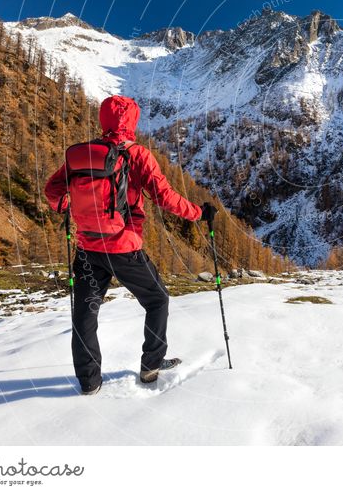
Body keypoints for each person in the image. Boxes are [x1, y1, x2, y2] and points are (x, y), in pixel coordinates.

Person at [44, 95, 216, 394]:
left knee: (85, 314)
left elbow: (52, 190)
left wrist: (68, 208)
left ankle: (88, 382)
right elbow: (166, 198)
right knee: (157, 299)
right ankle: (151, 365)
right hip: (123, 248)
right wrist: (200, 213)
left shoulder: (82, 154)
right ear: (133, 121)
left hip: (87, 247)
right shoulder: (137, 155)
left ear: (103, 120)